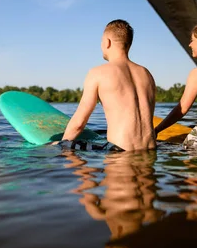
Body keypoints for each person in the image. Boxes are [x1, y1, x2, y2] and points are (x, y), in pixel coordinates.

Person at [57, 19, 157, 152]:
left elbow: (78, 124)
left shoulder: (98, 73)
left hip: (120, 152)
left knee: (57, 147)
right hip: (151, 149)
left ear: (107, 42)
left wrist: (61, 146)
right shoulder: (146, 74)